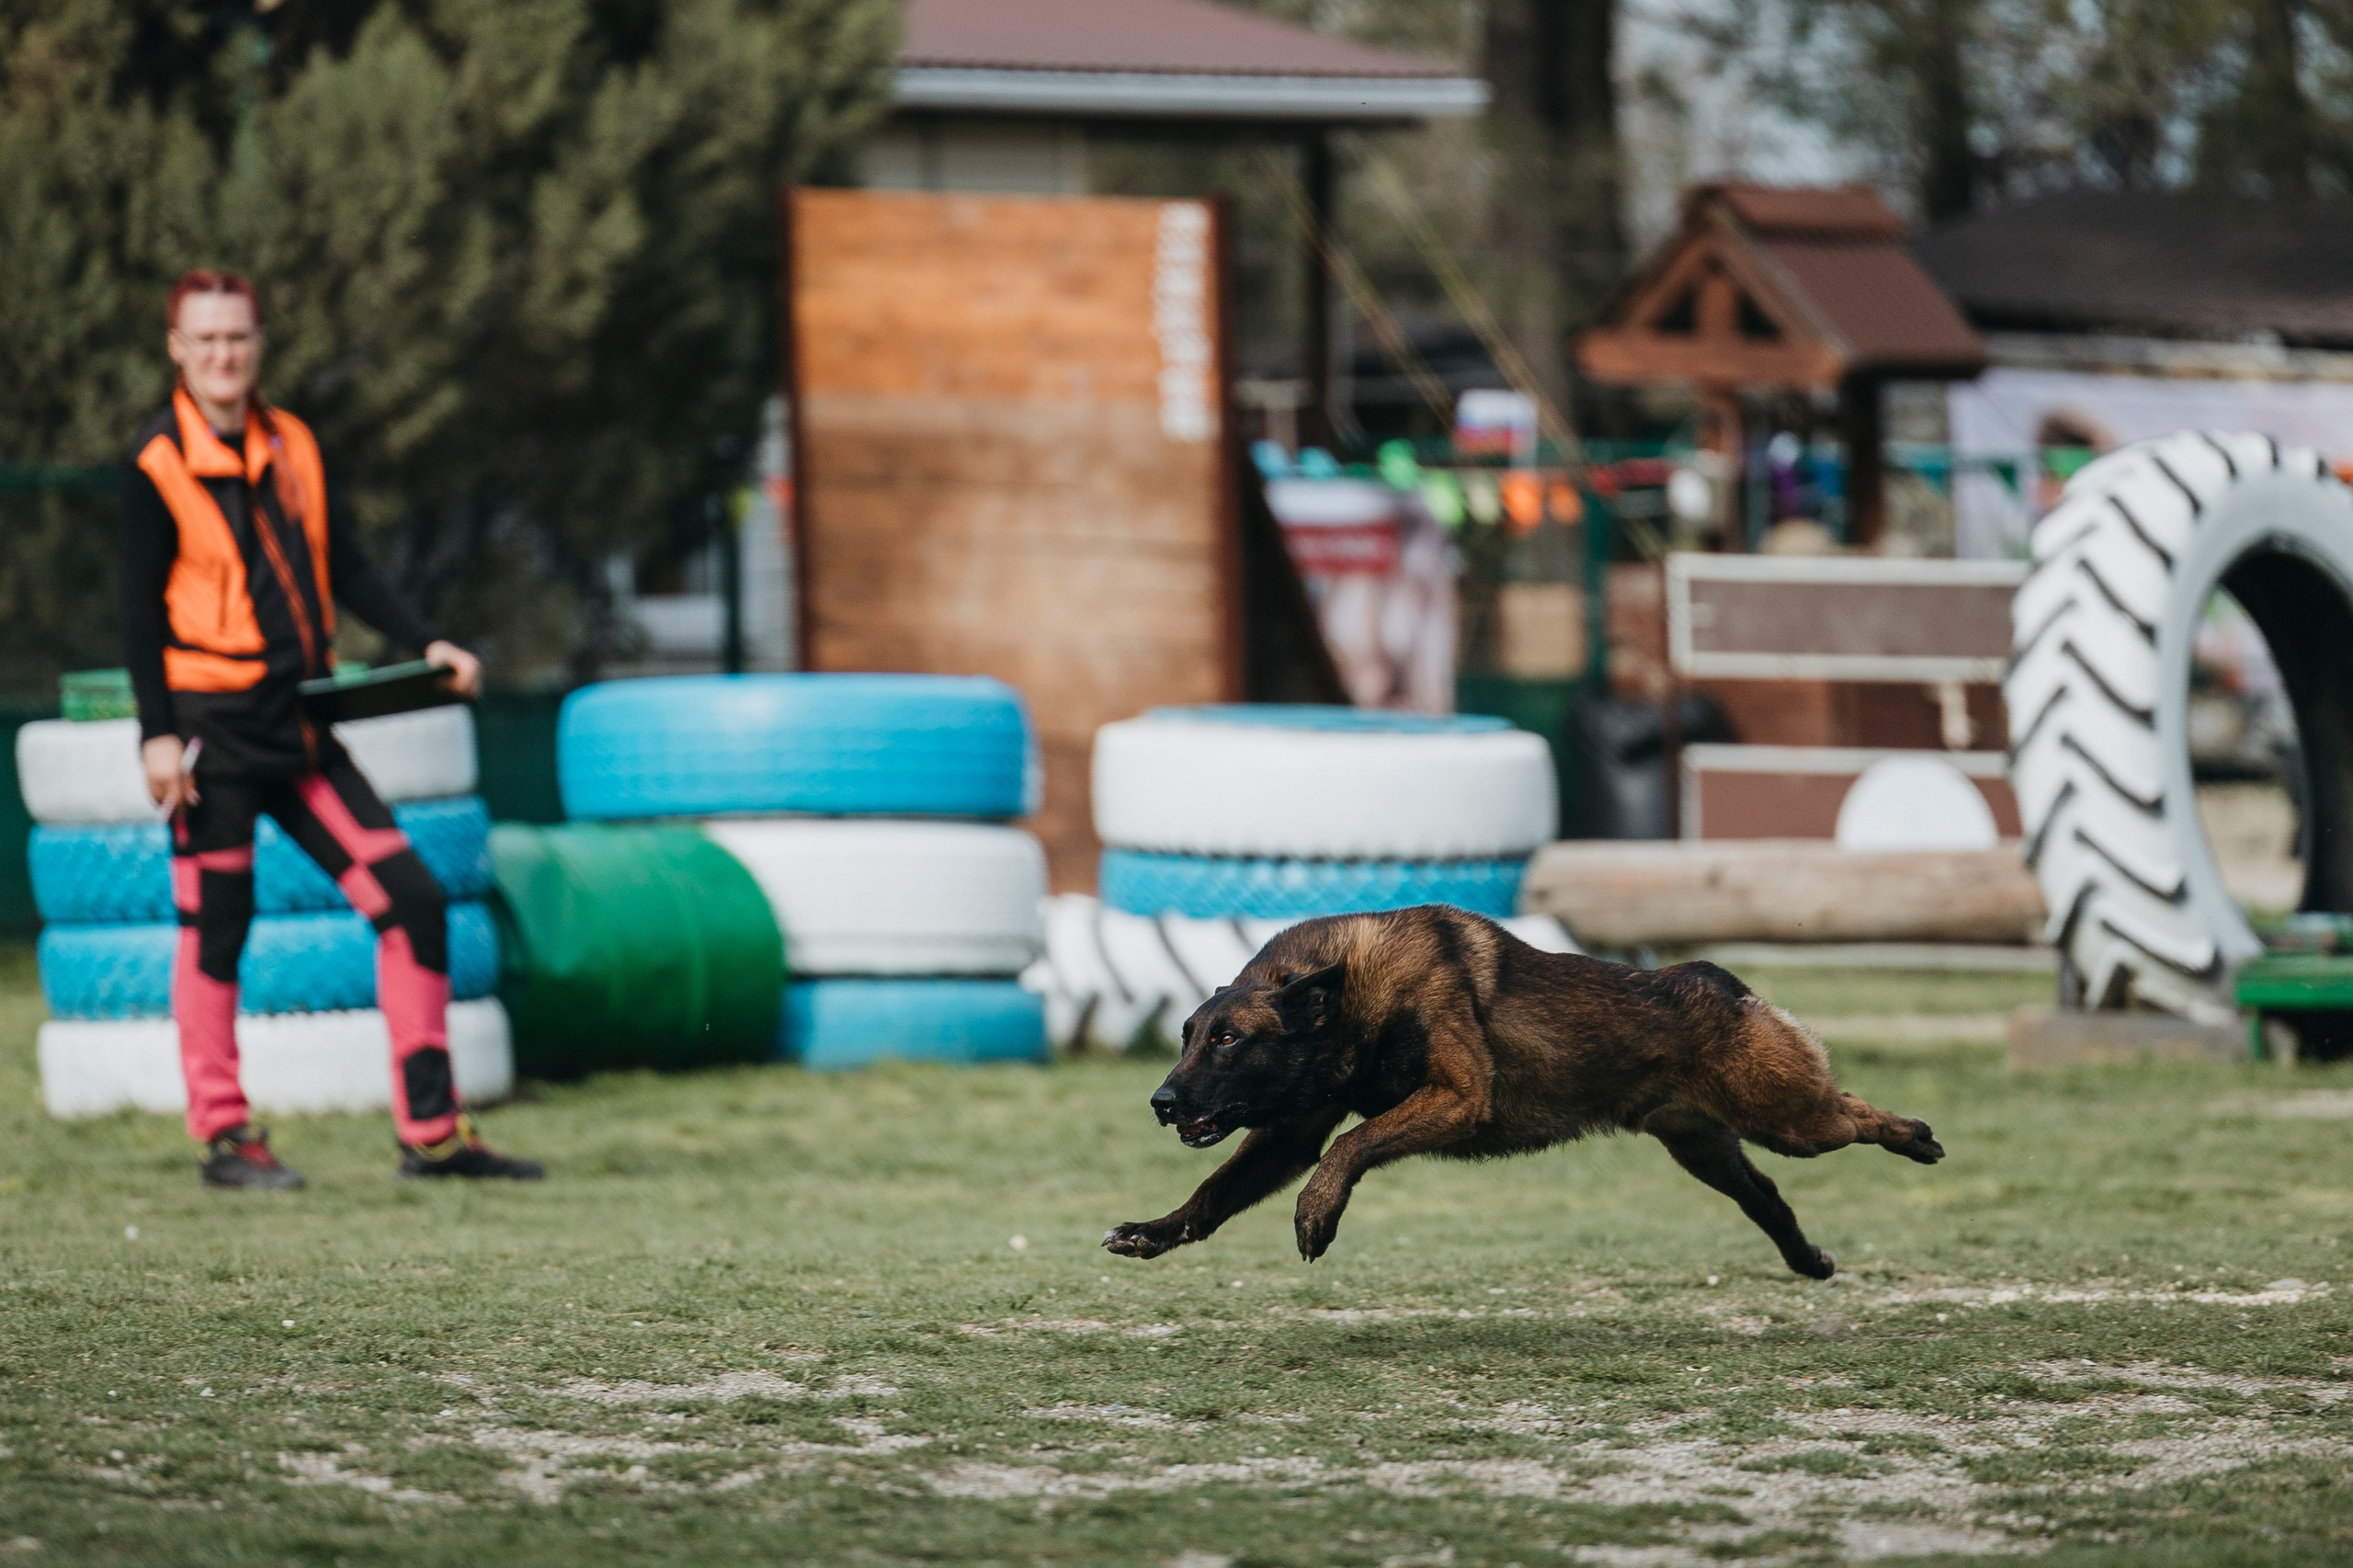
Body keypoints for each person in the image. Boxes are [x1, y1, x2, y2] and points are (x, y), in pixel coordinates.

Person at [121, 269, 542, 1190]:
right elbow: (136, 614)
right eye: (206, 340)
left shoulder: (294, 444)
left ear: (258, 345)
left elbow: (344, 564)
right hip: (209, 736)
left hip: (302, 729)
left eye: (238, 337)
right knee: (215, 929)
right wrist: (156, 734)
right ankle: (226, 1137)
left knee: (414, 902)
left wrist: (423, 638)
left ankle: (432, 1134)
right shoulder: (156, 461)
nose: (224, 355)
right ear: (177, 351)